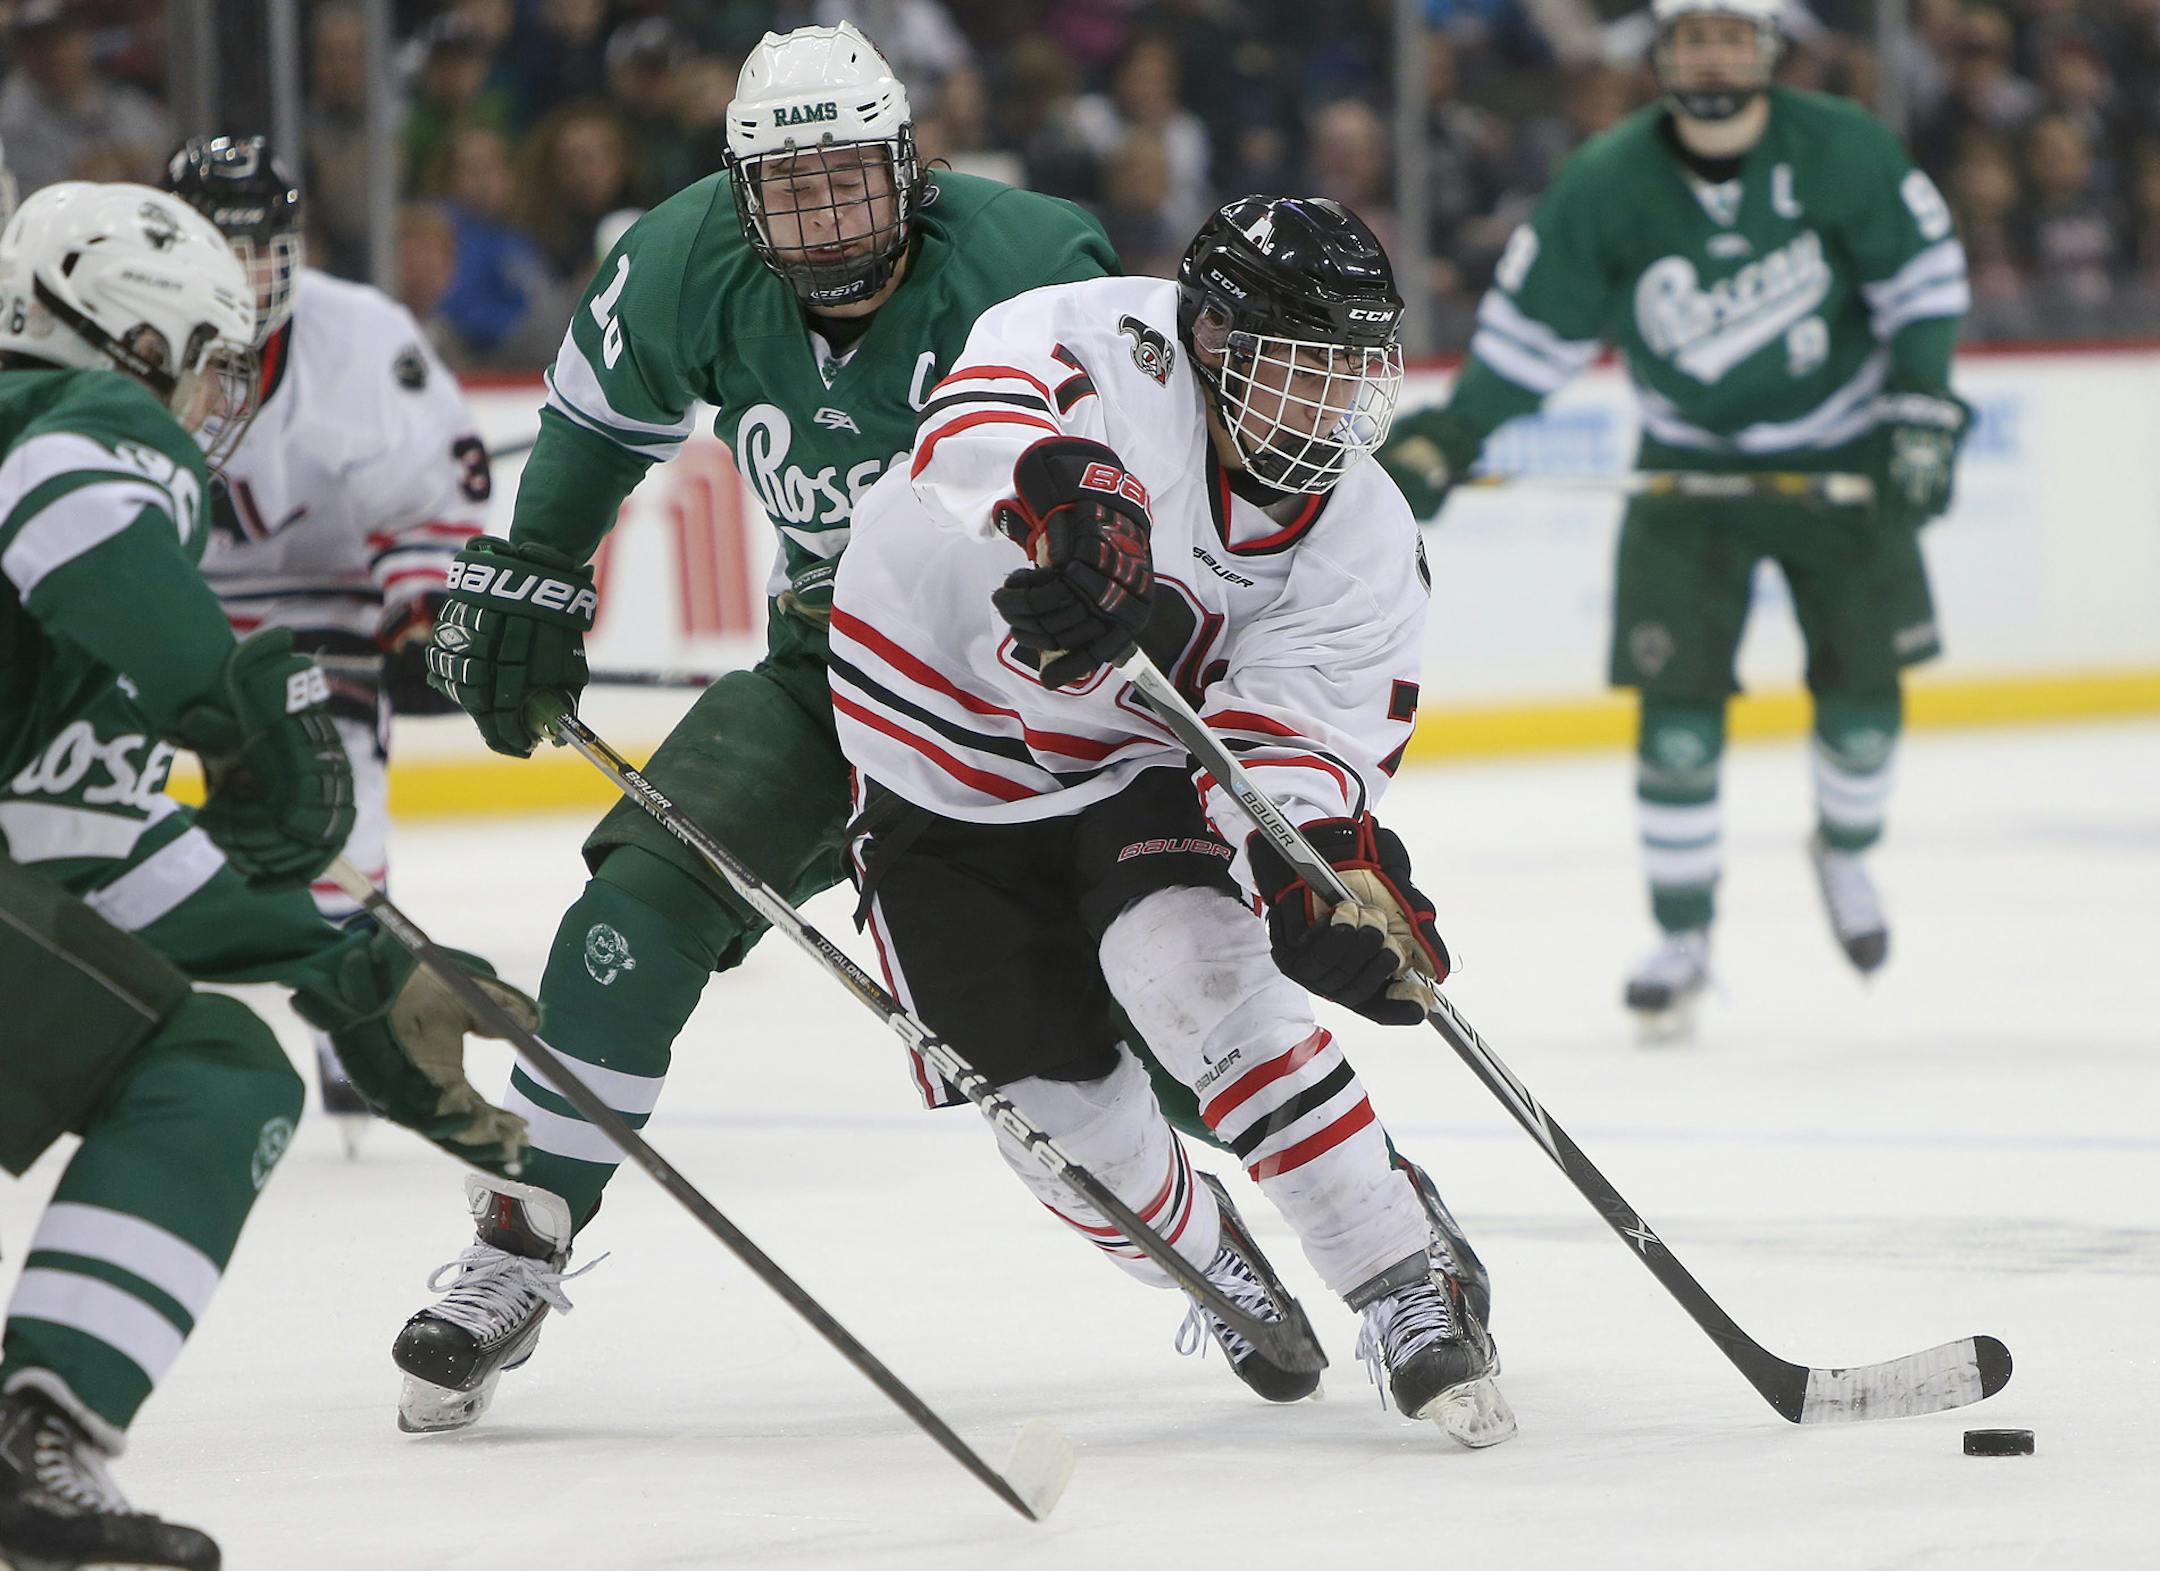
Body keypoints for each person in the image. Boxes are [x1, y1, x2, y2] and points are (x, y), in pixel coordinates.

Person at [402, 21, 1489, 1435]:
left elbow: (1270, 670)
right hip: (864, 678)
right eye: (789, 190)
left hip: (1087, 689)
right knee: (657, 908)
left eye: (853, 178)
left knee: (1192, 986)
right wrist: (538, 561)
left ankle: (1385, 1234)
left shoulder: (1039, 254)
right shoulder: (682, 258)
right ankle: (521, 1235)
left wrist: (1308, 850)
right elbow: (649, 426)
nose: (826, 217)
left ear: (915, 165)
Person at [826, 194, 1513, 1445]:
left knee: (1196, 967)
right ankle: (1206, 1254)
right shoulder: (1092, 339)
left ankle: (1405, 1274)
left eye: (1353, 368)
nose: (1332, 405)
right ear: (1211, 340)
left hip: (1127, 757)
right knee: (1050, 1115)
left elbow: (1291, 742)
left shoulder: (1365, 537)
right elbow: (969, 430)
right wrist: (1076, 502)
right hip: (936, 754)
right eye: (1301, 367)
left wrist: (1318, 868)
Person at [0, 181, 528, 1570]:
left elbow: (92, 849)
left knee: (200, 1045)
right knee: (211, 1071)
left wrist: (352, 962)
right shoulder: (78, 424)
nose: (218, 395)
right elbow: (70, 503)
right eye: (209, 356)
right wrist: (228, 695)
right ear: (128, 331)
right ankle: (38, 1436)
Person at [1378, 0, 1972, 1037]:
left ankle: (1846, 850)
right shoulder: (1609, 181)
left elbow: (1922, 279)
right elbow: (1533, 330)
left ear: (1767, 49)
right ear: (1660, 53)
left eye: (1730, 35)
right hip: (1688, 477)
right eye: (1691, 35)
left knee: (1866, 700)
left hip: (1844, 460)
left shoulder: (1843, 148)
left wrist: (1922, 402)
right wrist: (1459, 430)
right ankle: (1684, 932)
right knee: (1678, 720)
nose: (1711, 54)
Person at [162, 135, 496, 1137]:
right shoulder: (111, 330)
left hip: (324, 598)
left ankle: (355, 1014)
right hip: (159, 590)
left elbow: (429, 501)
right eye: (216, 248)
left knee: (333, 773)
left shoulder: (361, 336)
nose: (243, 274)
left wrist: (425, 613)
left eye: (260, 247)